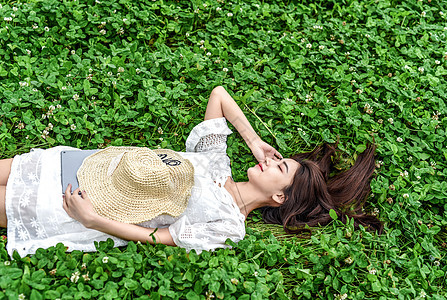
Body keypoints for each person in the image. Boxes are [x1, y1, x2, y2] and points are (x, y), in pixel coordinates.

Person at [0, 86, 381, 257]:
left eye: (278, 166)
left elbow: (156, 237)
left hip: (76, 206)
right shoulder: (218, 163)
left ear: (279, 196)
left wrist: (94, 220)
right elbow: (219, 95)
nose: (269, 160)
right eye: (276, 157)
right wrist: (254, 141)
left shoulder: (229, 225)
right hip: (82, 166)